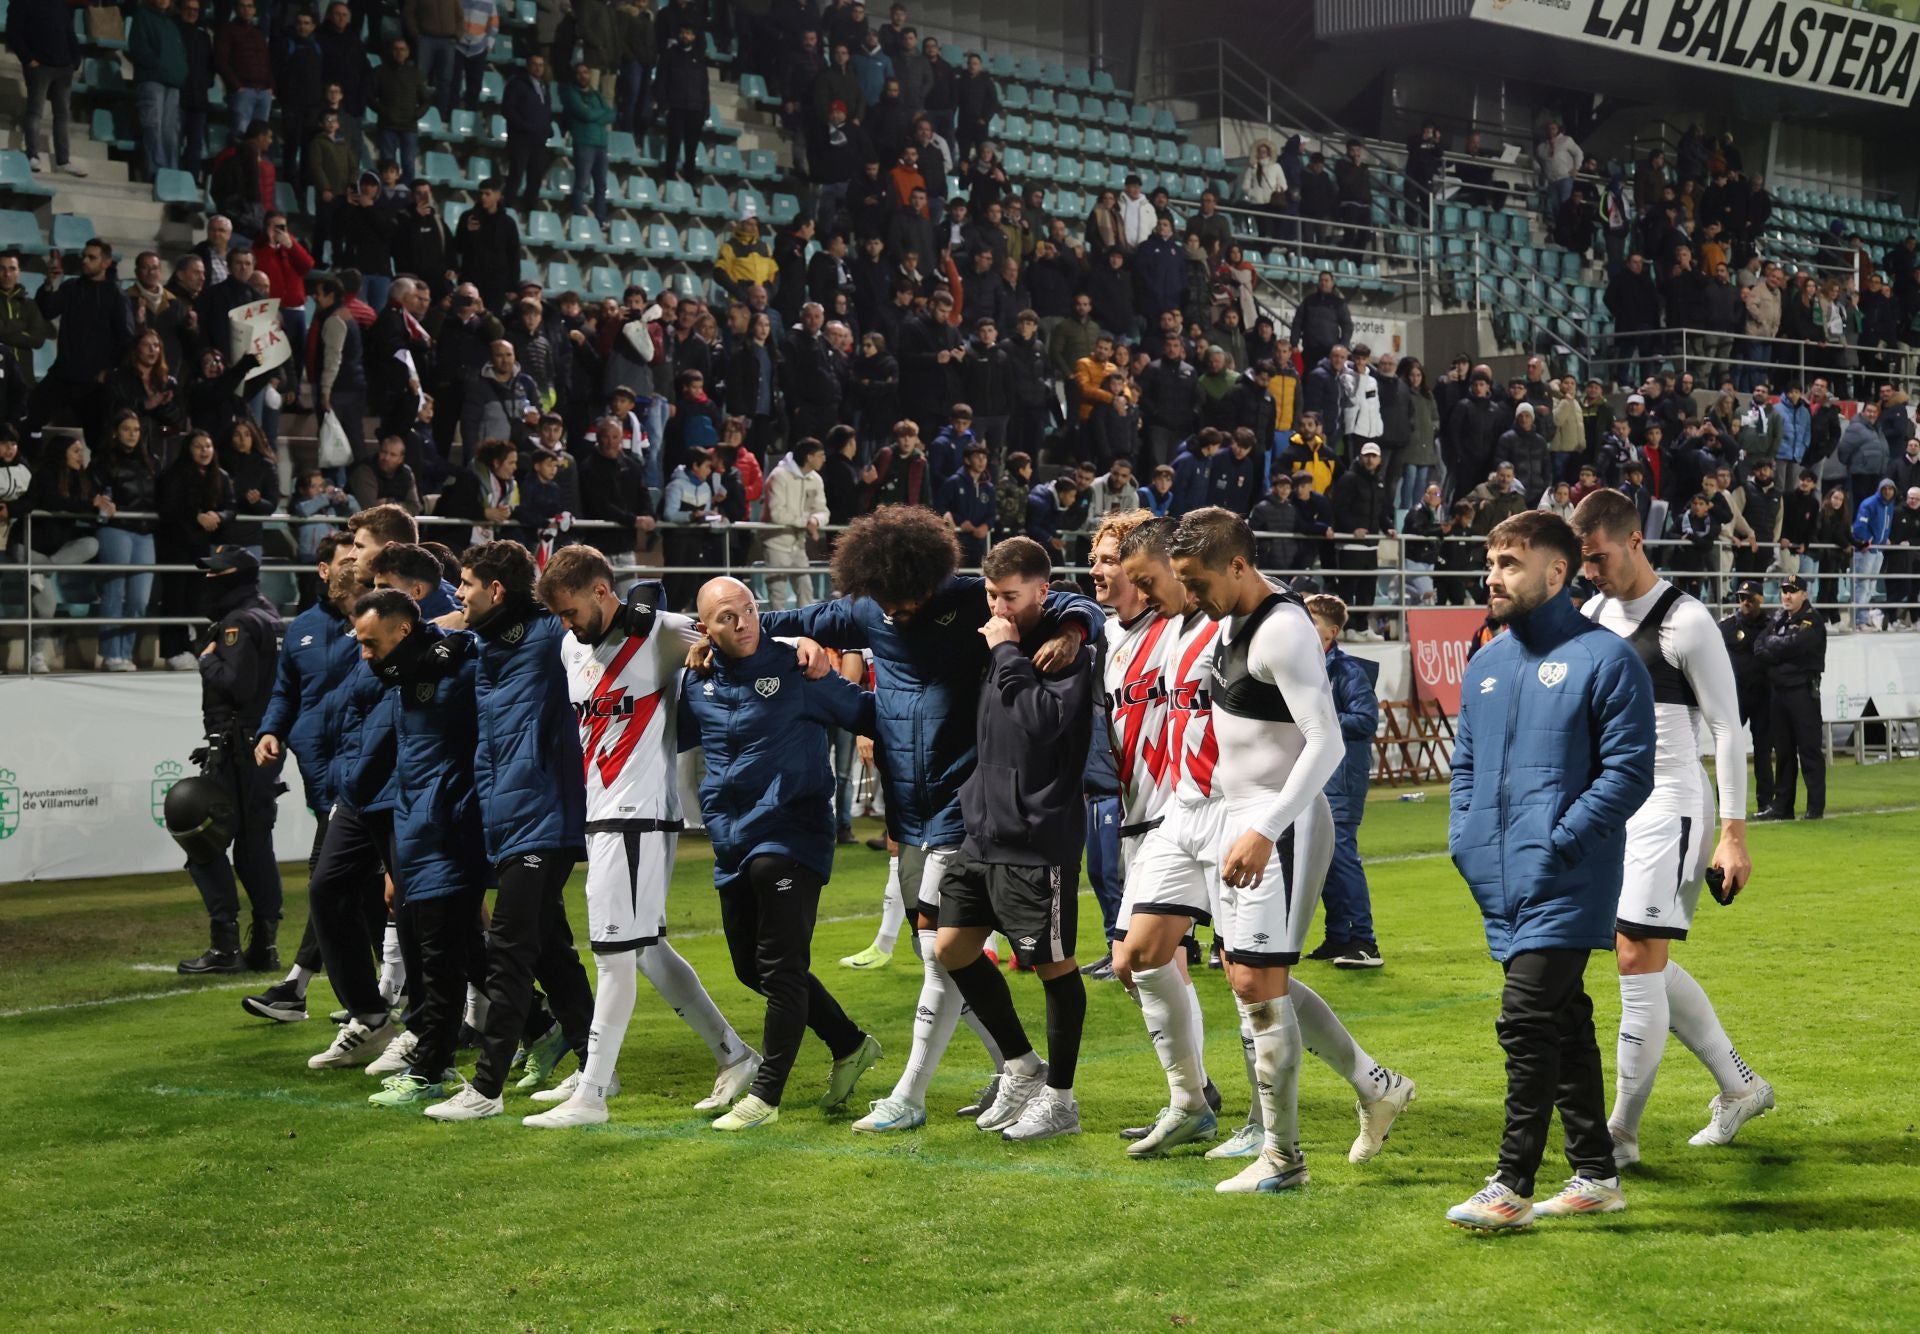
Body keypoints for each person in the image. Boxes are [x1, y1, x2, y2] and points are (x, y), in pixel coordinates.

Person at [758, 508, 1099, 1135]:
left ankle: (912, 1094)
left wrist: (1075, 627)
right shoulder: (866, 610)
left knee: (945, 953)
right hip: (909, 806)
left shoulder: (971, 597)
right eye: (890, 599)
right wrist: (764, 635)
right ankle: (1018, 1067)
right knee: (938, 948)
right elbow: (789, 621)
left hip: (966, 802)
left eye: (911, 595)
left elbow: (1062, 600)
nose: (902, 607)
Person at [1159, 508, 1412, 1191]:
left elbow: (1327, 741)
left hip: (1283, 828)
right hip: (1240, 823)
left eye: (1196, 580)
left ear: (1237, 566)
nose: (1190, 595)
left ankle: (1283, 1159)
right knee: (1251, 981)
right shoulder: (1229, 622)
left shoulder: (1285, 629)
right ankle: (1375, 1085)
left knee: (1258, 988)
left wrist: (1265, 827)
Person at [1444, 511, 1655, 1232]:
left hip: (1569, 879)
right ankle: (1596, 1173)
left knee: (1525, 1017)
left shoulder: (1608, 658)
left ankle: (1510, 1184)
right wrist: (1466, 839)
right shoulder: (1487, 662)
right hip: (1498, 878)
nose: (1492, 575)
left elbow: (1629, 775)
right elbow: (1465, 767)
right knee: (1563, 1021)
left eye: (1508, 562)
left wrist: (1558, 844)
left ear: (1556, 573)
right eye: (1491, 562)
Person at [519, 547, 756, 1128]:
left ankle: (593, 1092)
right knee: (644, 950)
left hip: (637, 814)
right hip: (605, 814)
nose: (568, 624)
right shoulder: (571, 644)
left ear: (602, 591)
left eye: (572, 610)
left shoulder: (665, 633)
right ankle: (735, 1055)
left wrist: (796, 646)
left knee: (612, 954)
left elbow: (745, 631)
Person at [1571, 489, 1773, 1166]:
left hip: (1672, 805)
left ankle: (1620, 1134)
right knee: (1643, 959)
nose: (1590, 571)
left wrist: (1734, 832)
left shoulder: (1686, 622)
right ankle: (1740, 1086)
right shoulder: (1591, 613)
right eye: (1581, 561)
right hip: (1614, 806)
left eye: (1597, 557)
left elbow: (1727, 728)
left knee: (1634, 953)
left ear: (1633, 541)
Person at [676, 576, 884, 1131]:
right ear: (705, 629)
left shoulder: (799, 669)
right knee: (752, 968)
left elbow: (867, 712)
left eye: (747, 610)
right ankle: (850, 1043)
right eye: (725, 617)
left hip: (793, 830)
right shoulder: (696, 682)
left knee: (781, 966)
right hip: (732, 835)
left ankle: (765, 1096)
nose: (741, 622)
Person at [927, 536, 1094, 1143]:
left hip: (1035, 834)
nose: (998, 608)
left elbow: (1042, 724)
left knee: (1052, 965)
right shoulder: (1001, 637)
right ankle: (1022, 1066)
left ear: (1042, 592)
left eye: (1010, 597)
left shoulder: (1062, 652)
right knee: (951, 948)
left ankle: (1062, 1097)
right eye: (992, 595)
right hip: (983, 827)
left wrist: (1009, 653)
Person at [242, 532, 363, 1021]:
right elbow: (285, 691)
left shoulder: (377, 620)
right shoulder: (303, 628)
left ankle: (306, 989)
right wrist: (271, 729)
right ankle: (379, 995)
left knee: (330, 882)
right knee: (337, 885)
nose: (355, 566)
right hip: (319, 776)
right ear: (324, 569)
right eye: (347, 560)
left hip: (361, 775)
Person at [169, 548, 286, 974]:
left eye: (217, 573)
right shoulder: (270, 615)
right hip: (263, 742)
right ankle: (265, 946)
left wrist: (205, 658)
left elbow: (235, 684)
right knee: (256, 846)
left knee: (200, 834)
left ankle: (224, 946)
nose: (210, 580)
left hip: (237, 745)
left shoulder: (238, 622)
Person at [1302, 595, 1382, 968]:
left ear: (1332, 632)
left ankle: (1364, 941)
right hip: (1318, 776)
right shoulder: (1307, 667)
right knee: (1326, 858)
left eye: (1312, 623)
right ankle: (1338, 936)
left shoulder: (1348, 670)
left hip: (1342, 776)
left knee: (1342, 855)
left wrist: (1318, 723)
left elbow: (1366, 720)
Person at [1753, 575, 1826, 821]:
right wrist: (1779, 652)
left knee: (1809, 751)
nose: (1787, 595)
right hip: (1779, 694)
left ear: (1804, 594)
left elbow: (1793, 647)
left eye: (1793, 591)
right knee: (1783, 752)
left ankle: (1815, 807)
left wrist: (1776, 652)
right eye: (1784, 590)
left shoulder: (1812, 620)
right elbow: (1759, 646)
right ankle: (1783, 806)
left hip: (1803, 693)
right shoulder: (1778, 618)